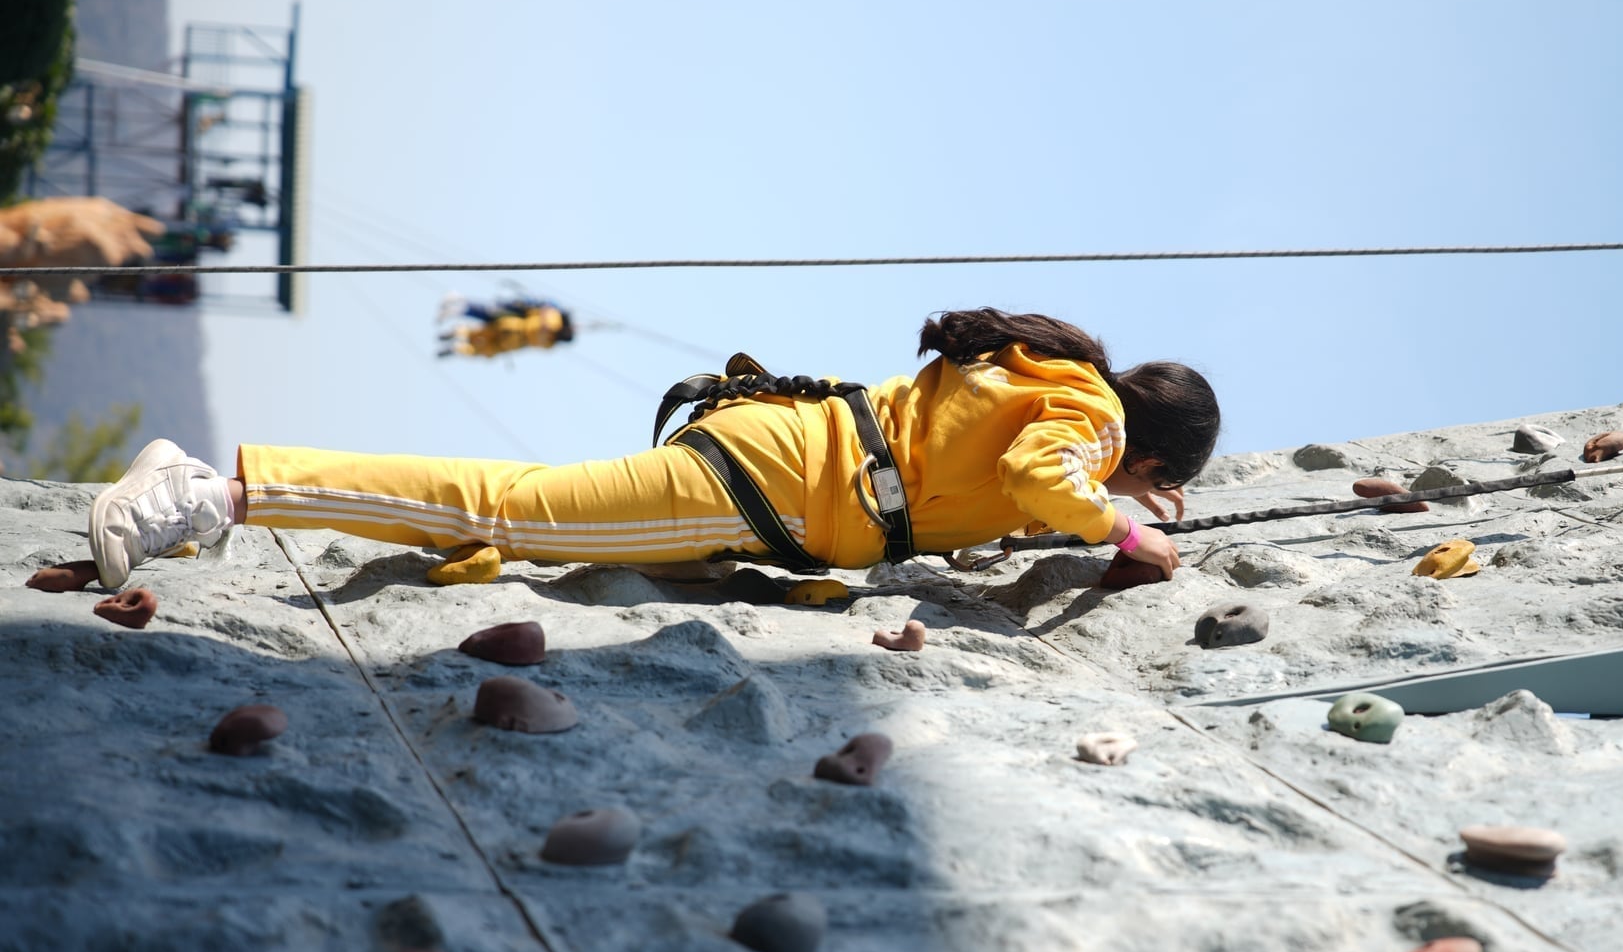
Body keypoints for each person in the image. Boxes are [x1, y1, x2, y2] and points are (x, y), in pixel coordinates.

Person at [85, 308, 1220, 591]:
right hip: (775, 480)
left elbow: (1004, 485)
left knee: (512, 508)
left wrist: (1115, 510)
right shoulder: (1094, 421)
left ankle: (228, 495)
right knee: (509, 510)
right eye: (1156, 486)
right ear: (1158, 459)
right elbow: (1043, 480)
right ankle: (209, 489)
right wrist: (1123, 526)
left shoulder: (1053, 376)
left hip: (780, 458)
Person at [436, 298, 575, 359]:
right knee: (485, 349)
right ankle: (459, 346)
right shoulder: (550, 344)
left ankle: (458, 335)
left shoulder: (553, 315)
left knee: (480, 333)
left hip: (513, 326)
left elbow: (532, 310)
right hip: (515, 342)